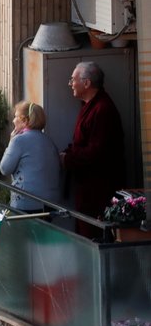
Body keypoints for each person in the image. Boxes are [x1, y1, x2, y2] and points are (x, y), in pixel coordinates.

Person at [60, 61, 125, 239]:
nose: (70, 84)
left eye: (73, 79)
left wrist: (68, 159)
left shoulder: (102, 109)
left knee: (93, 235)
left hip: (98, 190)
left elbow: (96, 152)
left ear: (87, 83)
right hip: (87, 187)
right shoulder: (90, 105)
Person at [0, 101, 61, 213]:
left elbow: (4, 169)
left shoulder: (18, 140)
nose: (13, 121)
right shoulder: (49, 141)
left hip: (27, 203)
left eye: (15, 117)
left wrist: (10, 142)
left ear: (24, 120)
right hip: (51, 204)